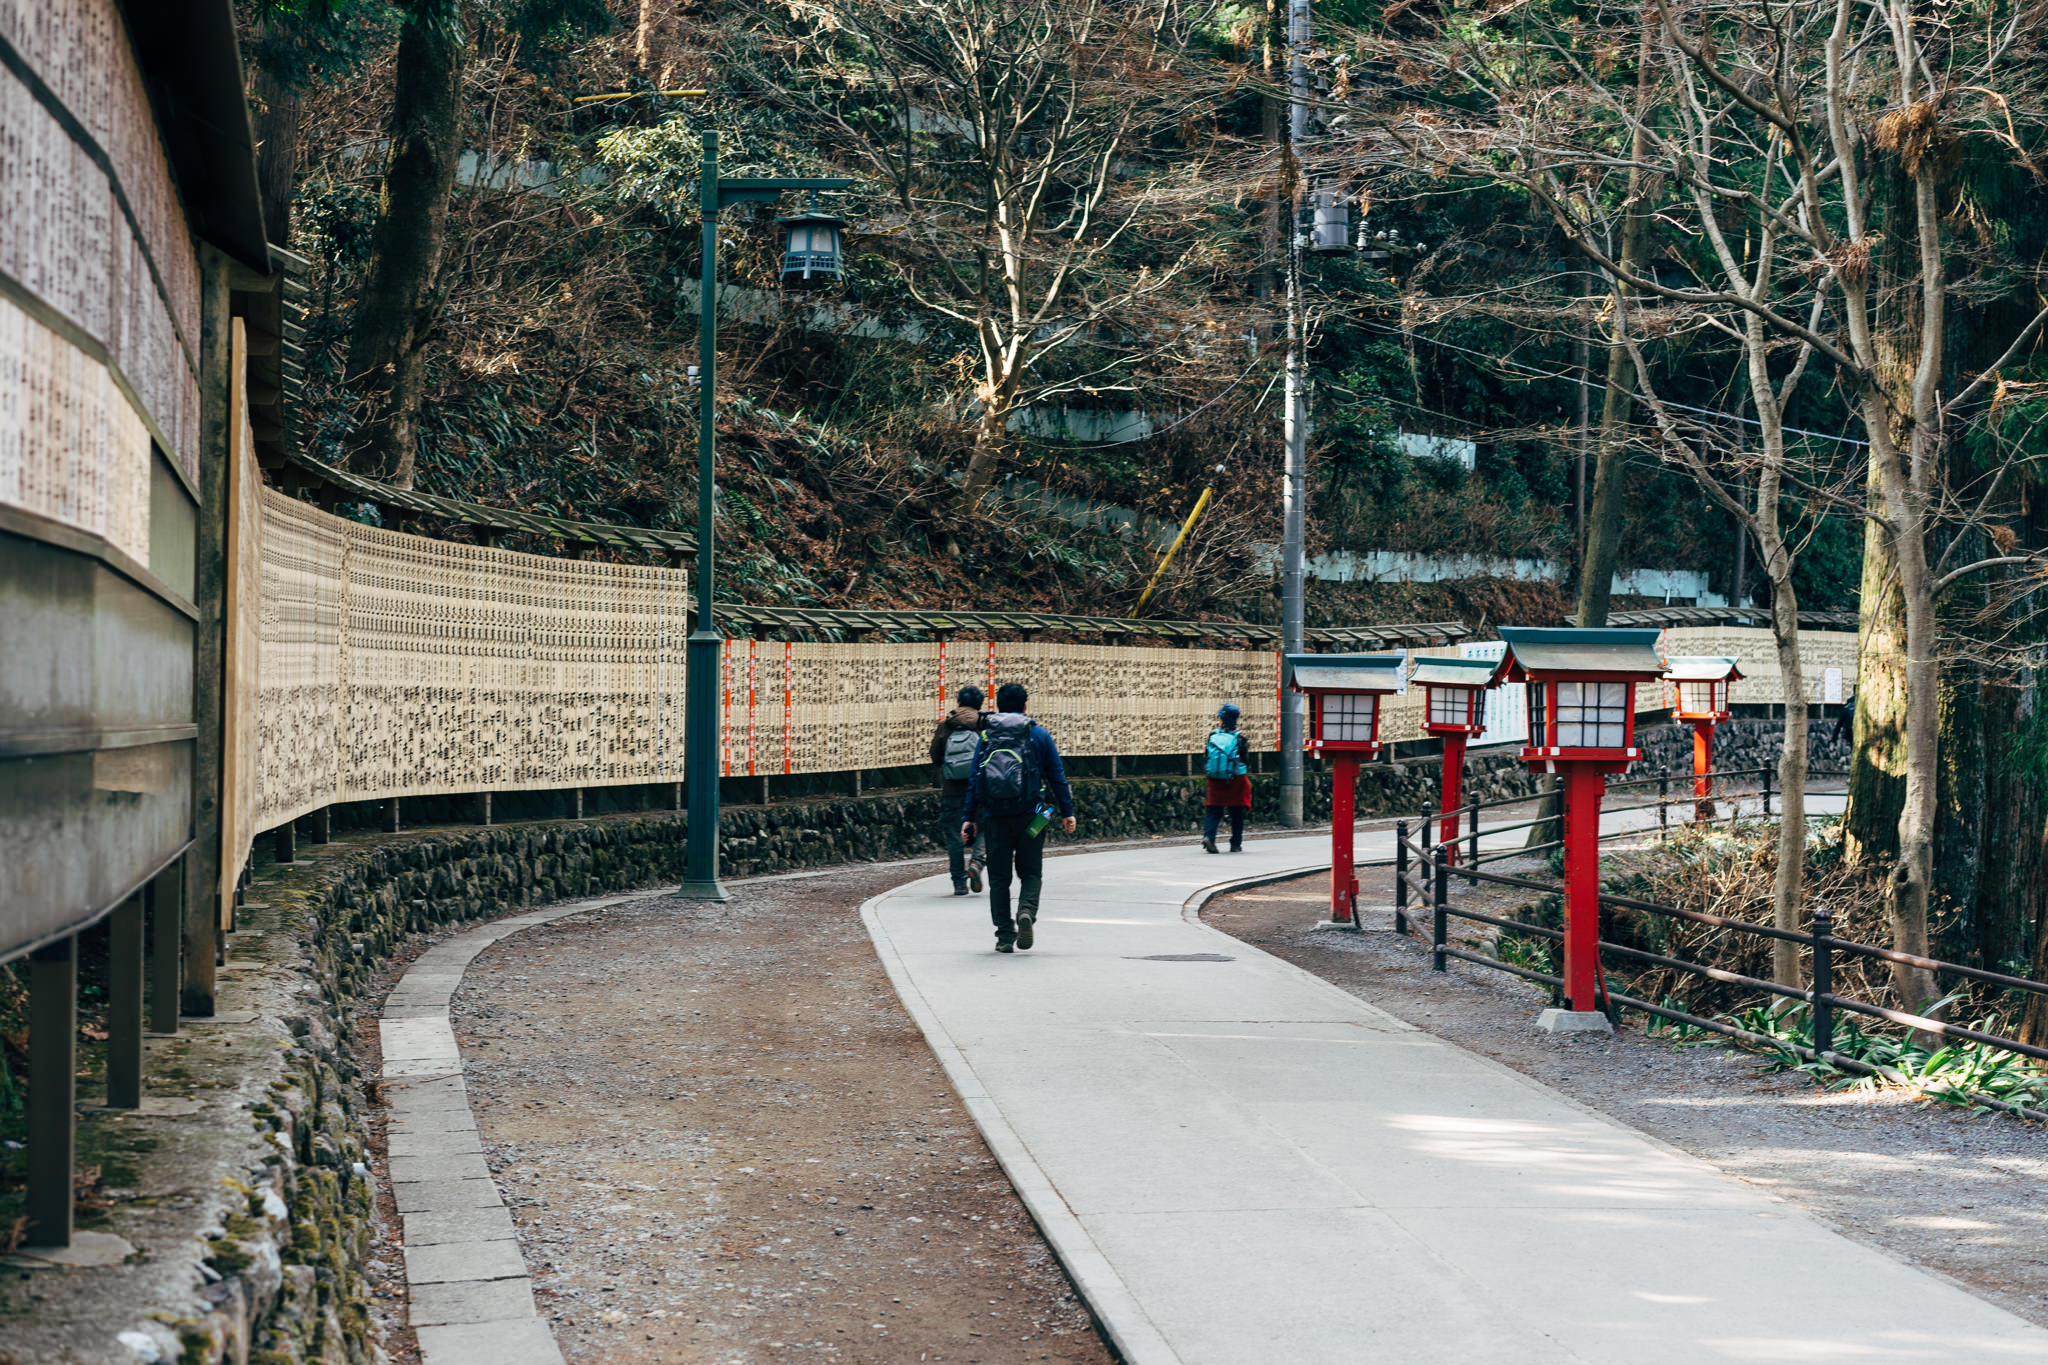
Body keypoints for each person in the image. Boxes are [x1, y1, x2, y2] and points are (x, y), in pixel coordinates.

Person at [961, 682, 1076, 953]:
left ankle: (1004, 936)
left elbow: (975, 779)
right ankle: (1026, 911)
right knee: (1031, 871)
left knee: (1000, 878)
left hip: (995, 815)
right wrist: (1067, 812)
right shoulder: (1038, 734)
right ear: (1025, 706)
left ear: (999, 706)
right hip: (1034, 814)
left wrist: (969, 817)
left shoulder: (988, 736)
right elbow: (1057, 776)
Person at [930, 685, 987, 896]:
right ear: (979, 705)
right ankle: (977, 863)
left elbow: (935, 756)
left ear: (959, 703)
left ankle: (959, 883)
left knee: (954, 835)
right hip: (980, 789)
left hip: (952, 790)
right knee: (985, 828)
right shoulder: (984, 725)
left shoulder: (947, 726)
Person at [1202, 703, 1251, 854]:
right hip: (1236, 779)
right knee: (1237, 811)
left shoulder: (1213, 736)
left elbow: (1205, 756)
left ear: (1221, 718)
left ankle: (1209, 836)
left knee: (1213, 809)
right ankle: (1235, 843)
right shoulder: (1240, 738)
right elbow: (1246, 759)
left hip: (1215, 778)